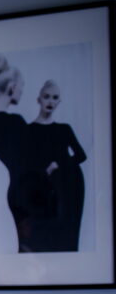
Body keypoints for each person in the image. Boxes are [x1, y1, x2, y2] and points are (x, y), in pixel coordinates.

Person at [0, 55, 38, 252]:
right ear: (12, 87)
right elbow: (31, 162)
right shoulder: (15, 122)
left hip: (8, 197)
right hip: (25, 198)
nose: (22, 91)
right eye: (21, 86)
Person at [24, 80, 88, 251]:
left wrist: (57, 164)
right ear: (39, 99)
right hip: (42, 185)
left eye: (55, 98)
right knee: (44, 233)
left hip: (70, 184)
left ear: (59, 101)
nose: (50, 101)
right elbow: (26, 163)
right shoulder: (29, 130)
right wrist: (46, 170)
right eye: (46, 97)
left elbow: (81, 155)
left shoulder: (64, 129)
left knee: (68, 232)